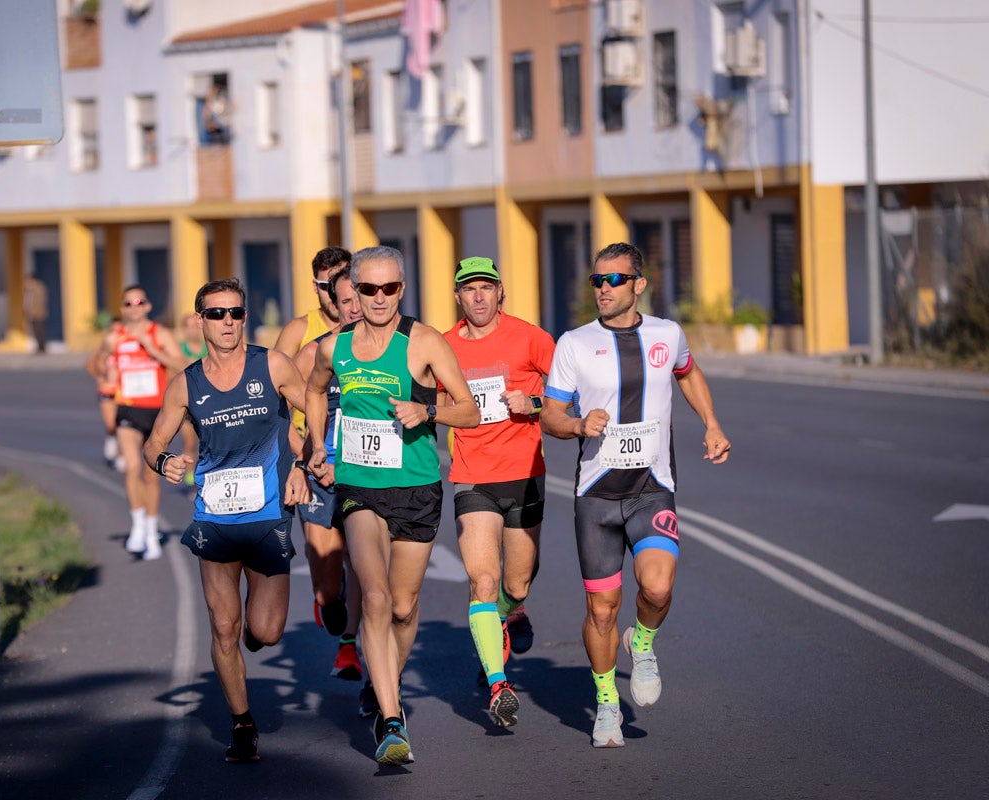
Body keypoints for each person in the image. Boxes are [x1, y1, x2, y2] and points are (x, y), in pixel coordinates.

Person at [539, 242, 731, 749]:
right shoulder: (574, 344)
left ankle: (641, 642)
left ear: (638, 284)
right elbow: (550, 415)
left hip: (652, 489)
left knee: (658, 589)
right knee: (602, 610)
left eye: (614, 280)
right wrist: (579, 423)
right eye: (596, 281)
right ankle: (606, 704)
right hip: (597, 497)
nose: (603, 289)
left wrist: (711, 423)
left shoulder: (668, 334)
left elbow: (687, 373)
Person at [304, 245, 479, 765]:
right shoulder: (334, 348)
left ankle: (385, 681)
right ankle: (391, 718)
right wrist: (318, 445)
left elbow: (468, 410)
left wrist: (427, 411)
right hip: (358, 486)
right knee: (375, 598)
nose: (379, 299)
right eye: (368, 289)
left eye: (390, 289)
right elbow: (314, 392)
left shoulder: (422, 341)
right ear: (351, 293)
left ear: (402, 289)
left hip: (417, 488)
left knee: (403, 608)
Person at [143, 278, 310, 764]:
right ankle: (242, 724)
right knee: (222, 626)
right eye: (216, 314)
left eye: (236, 312)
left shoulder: (271, 365)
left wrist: (303, 463)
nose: (228, 323)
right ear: (200, 321)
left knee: (267, 631)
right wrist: (164, 462)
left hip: (269, 513)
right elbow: (154, 443)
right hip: (214, 515)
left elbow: (314, 409)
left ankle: (254, 639)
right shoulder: (185, 383)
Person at [438, 256, 556, 728]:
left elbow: (574, 393)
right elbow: (430, 405)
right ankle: (497, 683)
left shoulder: (532, 339)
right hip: (472, 476)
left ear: (500, 291)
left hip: (525, 474)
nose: (479, 296)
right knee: (482, 581)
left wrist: (536, 403)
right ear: (458, 296)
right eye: (470, 289)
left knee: (516, 583)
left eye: (487, 287)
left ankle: (509, 612)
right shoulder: (443, 346)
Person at [274, 247, 363, 680]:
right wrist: (304, 457)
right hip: (316, 465)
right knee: (331, 579)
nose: (345, 304)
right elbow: (274, 402)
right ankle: (330, 599)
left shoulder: (391, 343)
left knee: (369, 568)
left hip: (368, 472)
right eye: (336, 293)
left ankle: (353, 649)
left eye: (353, 295)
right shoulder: (307, 343)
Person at [92, 286, 184, 561]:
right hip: (128, 409)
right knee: (131, 466)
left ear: (147, 305)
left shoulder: (160, 333)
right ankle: (137, 526)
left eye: (139, 301)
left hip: (157, 411)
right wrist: (106, 365)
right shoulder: (114, 337)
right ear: (123, 309)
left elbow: (180, 365)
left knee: (150, 475)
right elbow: (96, 366)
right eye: (128, 303)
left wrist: (153, 350)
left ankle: (152, 529)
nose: (134, 307)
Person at [86, 317, 125, 471]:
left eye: (119, 330)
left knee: (123, 423)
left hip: (124, 390)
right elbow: (90, 364)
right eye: (113, 330)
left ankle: (122, 455)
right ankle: (111, 439)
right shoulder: (103, 347)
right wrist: (100, 378)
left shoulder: (128, 345)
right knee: (111, 424)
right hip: (108, 390)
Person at [22, 273, 50, 354]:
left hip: (38, 313)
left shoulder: (39, 288)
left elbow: (40, 302)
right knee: (35, 331)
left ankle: (42, 347)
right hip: (31, 314)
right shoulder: (28, 290)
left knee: (40, 330)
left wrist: (36, 311)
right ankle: (39, 347)